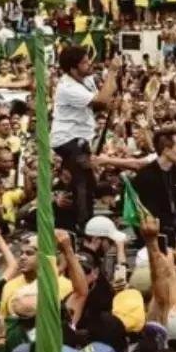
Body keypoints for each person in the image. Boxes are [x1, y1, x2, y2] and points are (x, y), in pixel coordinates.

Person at [50, 46, 120, 229]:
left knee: (83, 183)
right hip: (68, 139)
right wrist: (112, 71)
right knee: (82, 183)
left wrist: (110, 92)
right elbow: (102, 100)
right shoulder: (68, 87)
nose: (89, 64)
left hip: (80, 138)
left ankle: (75, 220)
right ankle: (83, 225)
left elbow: (101, 101)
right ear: (73, 69)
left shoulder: (86, 80)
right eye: (84, 62)